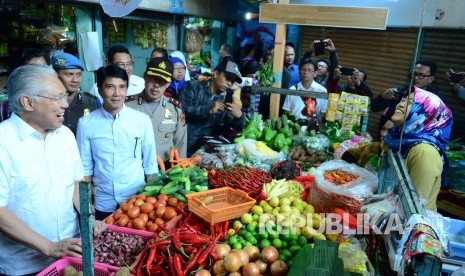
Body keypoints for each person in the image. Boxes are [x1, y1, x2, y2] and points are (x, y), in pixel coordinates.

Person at [0, 65, 105, 275]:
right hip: (24, 265)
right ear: (28, 102)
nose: (65, 104)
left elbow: (75, 183)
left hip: (70, 253)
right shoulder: (4, 142)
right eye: (57, 98)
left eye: (64, 96)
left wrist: (88, 218)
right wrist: (49, 247)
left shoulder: (65, 135)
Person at [76, 64, 157, 221]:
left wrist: (152, 199)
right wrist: (86, 203)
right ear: (100, 90)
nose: (117, 93)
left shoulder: (142, 121)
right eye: (110, 87)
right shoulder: (86, 124)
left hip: (137, 201)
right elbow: (85, 168)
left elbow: (150, 164)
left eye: (122, 87)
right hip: (103, 202)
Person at [382, 87, 453, 211]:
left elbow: (414, 206)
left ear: (428, 115)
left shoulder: (424, 152)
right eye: (403, 100)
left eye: (410, 103)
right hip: (391, 218)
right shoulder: (399, 140)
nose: (400, 105)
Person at [126, 57, 187, 167]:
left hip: (165, 170)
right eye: (153, 79)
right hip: (133, 169)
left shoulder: (175, 110)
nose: (157, 86)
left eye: (162, 82)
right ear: (145, 76)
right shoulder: (127, 106)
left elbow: (180, 145)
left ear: (168, 84)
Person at [179, 60, 245, 156]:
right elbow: (181, 112)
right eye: (228, 78)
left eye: (232, 81)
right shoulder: (192, 86)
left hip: (208, 153)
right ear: (216, 73)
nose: (230, 84)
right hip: (185, 148)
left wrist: (239, 117)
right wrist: (209, 109)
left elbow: (231, 130)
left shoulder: (226, 99)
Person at [371, 59, 442, 137]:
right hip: (388, 139)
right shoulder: (400, 92)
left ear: (431, 79)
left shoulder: (435, 101)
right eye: (414, 73)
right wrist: (382, 97)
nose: (416, 78)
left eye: (421, 75)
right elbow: (374, 108)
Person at [51, 52, 99, 135]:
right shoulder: (47, 103)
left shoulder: (92, 102)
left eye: (79, 75)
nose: (75, 80)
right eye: (69, 75)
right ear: (56, 76)